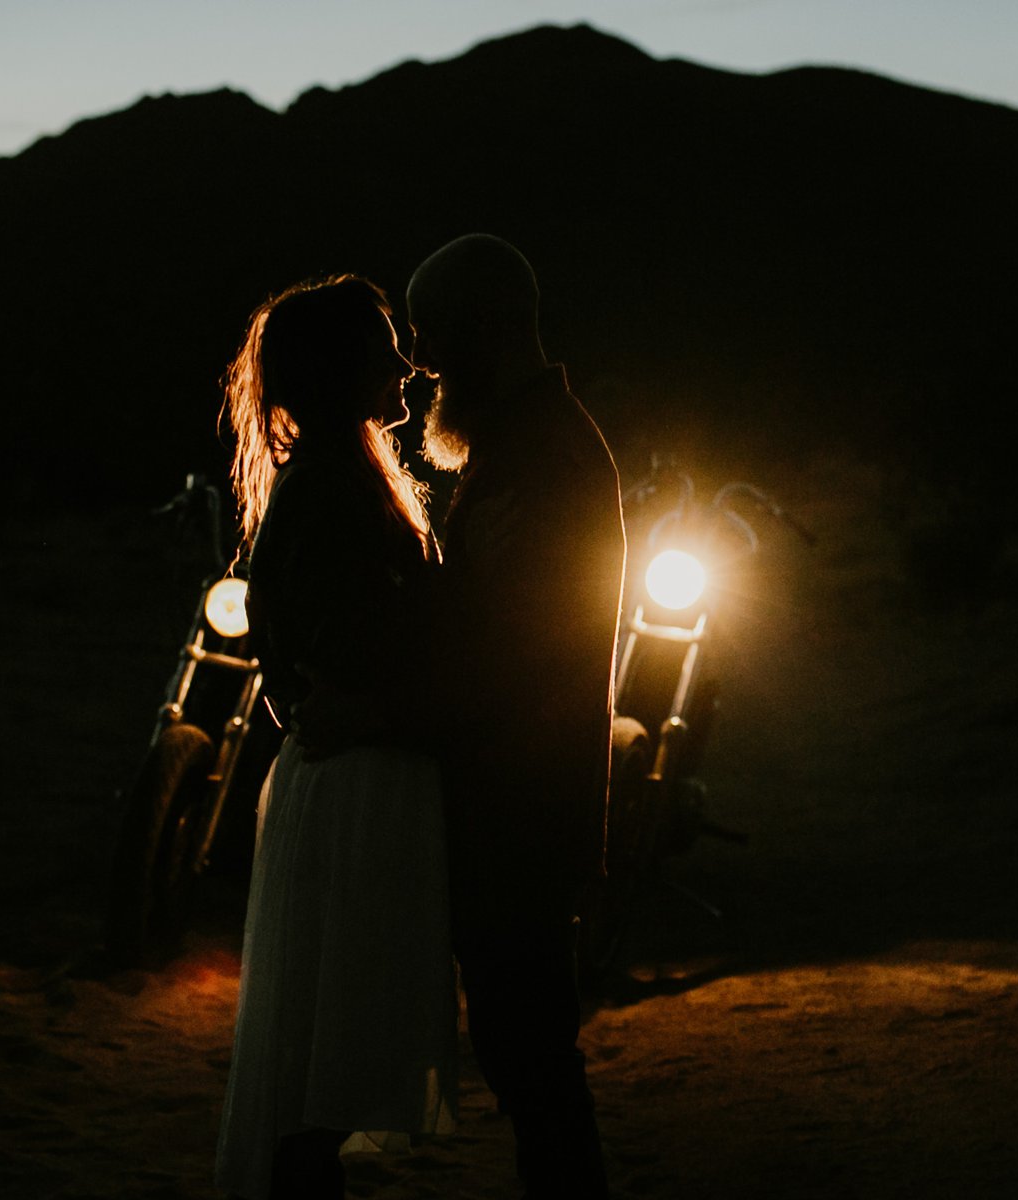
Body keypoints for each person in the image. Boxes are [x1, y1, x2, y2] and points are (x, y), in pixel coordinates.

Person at [213, 275, 458, 1200]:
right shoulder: (326, 493)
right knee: (329, 1059)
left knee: (333, 1054)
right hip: (355, 795)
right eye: (387, 344)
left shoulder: (339, 481)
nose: (407, 362)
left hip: (359, 786)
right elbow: (333, 664)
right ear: (341, 367)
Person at [410, 233, 625, 1199]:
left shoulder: (544, 455)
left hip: (522, 809)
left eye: (433, 337)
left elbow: (519, 639)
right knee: (525, 1057)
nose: (419, 365)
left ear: (488, 330)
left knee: (533, 1062)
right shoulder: (524, 442)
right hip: (518, 804)